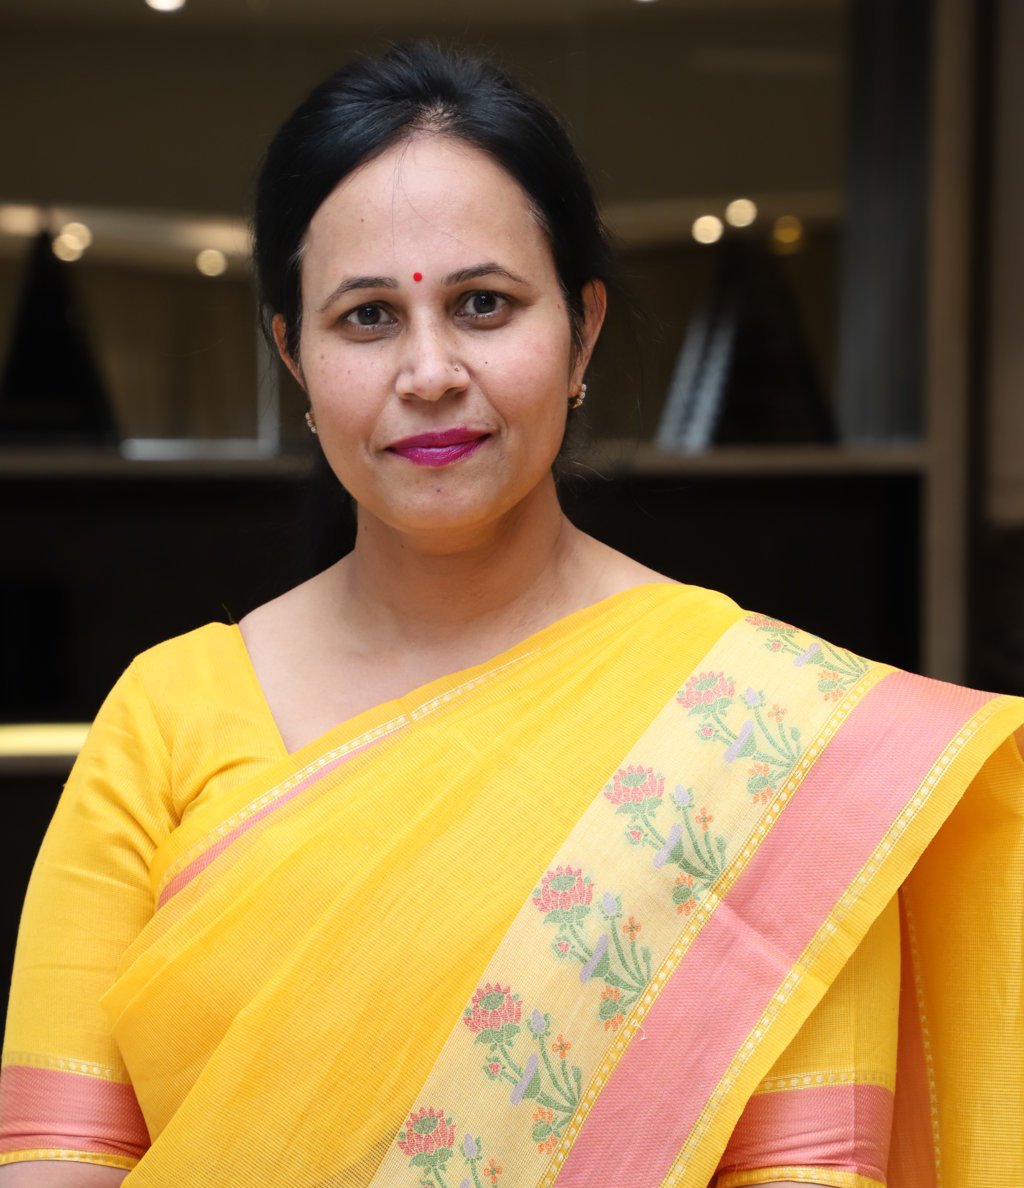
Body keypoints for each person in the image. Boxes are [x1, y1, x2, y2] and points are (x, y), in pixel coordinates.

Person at [1, 41, 1022, 1188]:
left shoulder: (771, 743)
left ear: (581, 329)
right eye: (367, 317)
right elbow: (56, 1160)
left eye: (483, 305)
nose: (430, 371)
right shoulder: (166, 719)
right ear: (293, 354)